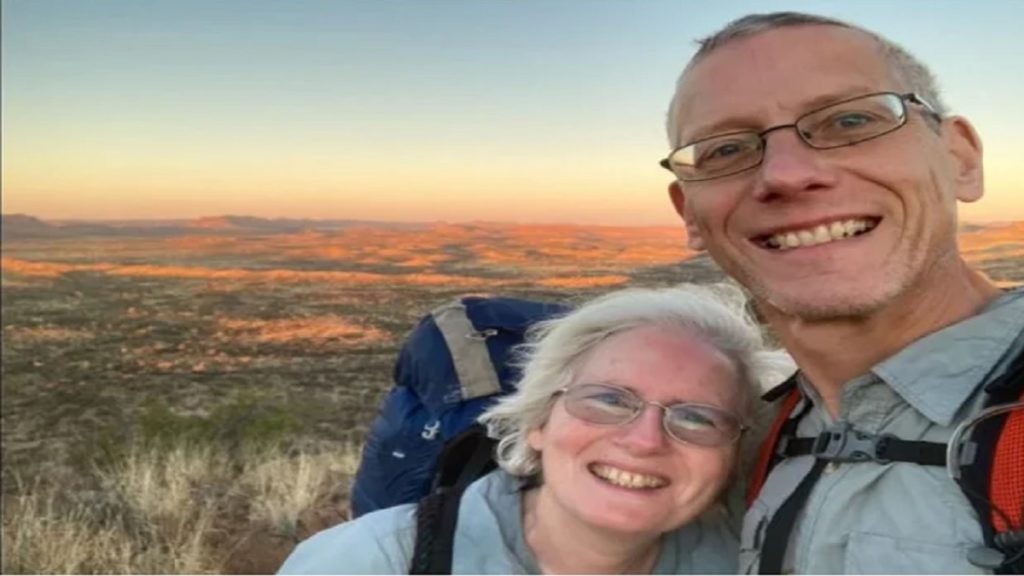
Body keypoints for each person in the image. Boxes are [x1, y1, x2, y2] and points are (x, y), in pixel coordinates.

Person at [661, 11, 1024, 574]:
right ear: (689, 215)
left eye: (850, 120)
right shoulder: (748, 446)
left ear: (960, 159)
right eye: (725, 150)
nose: (786, 175)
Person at [278, 284, 793, 574]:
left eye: (697, 417)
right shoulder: (368, 562)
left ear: (733, 454)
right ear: (538, 423)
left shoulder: (753, 565)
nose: (644, 441)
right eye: (609, 400)